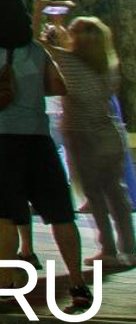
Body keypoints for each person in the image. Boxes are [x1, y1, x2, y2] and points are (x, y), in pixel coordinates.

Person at [0, 5, 89, 295]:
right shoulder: (33, 48)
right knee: (61, 213)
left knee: (3, 213)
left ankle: (9, 281)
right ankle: (77, 281)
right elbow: (58, 85)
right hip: (36, 136)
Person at [41, 16, 130, 271]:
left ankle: (109, 250)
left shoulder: (71, 63)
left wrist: (41, 14)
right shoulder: (108, 64)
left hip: (82, 135)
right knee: (116, 192)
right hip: (109, 132)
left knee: (94, 194)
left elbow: (40, 44)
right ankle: (130, 248)